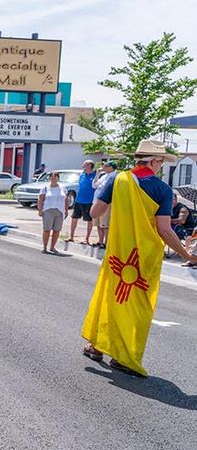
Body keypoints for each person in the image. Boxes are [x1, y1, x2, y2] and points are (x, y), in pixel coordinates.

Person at [82, 140, 196, 376]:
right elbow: (164, 230)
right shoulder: (163, 190)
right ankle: (123, 357)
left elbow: (94, 213)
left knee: (111, 297)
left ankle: (96, 346)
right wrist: (188, 255)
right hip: (144, 257)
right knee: (136, 306)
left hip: (118, 253)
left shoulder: (116, 179)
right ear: (154, 161)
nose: (161, 166)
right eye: (161, 162)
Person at [37, 171, 68, 254]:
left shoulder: (62, 188)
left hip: (59, 211)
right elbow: (40, 199)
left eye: (55, 177)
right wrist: (40, 210)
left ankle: (52, 247)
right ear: (49, 178)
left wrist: (66, 210)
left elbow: (65, 200)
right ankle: (44, 247)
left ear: (58, 178)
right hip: (48, 210)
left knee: (56, 230)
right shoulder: (45, 188)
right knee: (47, 229)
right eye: (52, 177)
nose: (53, 179)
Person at [67, 160, 96, 244]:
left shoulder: (95, 175)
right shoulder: (82, 175)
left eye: (85, 164)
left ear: (89, 165)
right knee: (74, 217)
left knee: (89, 220)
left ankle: (86, 238)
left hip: (89, 201)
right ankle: (71, 236)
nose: (83, 165)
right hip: (79, 200)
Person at [92, 161, 116, 248]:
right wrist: (97, 174)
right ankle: (100, 241)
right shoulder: (104, 176)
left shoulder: (113, 177)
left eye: (106, 166)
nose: (103, 167)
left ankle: (106, 242)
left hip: (106, 204)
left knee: (105, 224)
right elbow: (94, 185)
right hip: (97, 202)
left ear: (111, 167)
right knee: (98, 223)